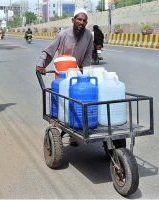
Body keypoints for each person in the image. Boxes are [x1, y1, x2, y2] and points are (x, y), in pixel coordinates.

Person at [36, 8, 93, 146]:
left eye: (84, 20)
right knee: (62, 102)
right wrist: (40, 65)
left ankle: (74, 134)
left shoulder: (88, 36)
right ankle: (59, 125)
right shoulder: (63, 35)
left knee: (76, 103)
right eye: (79, 19)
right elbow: (49, 51)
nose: (81, 22)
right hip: (61, 73)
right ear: (73, 20)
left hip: (76, 73)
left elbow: (88, 54)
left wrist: (83, 70)